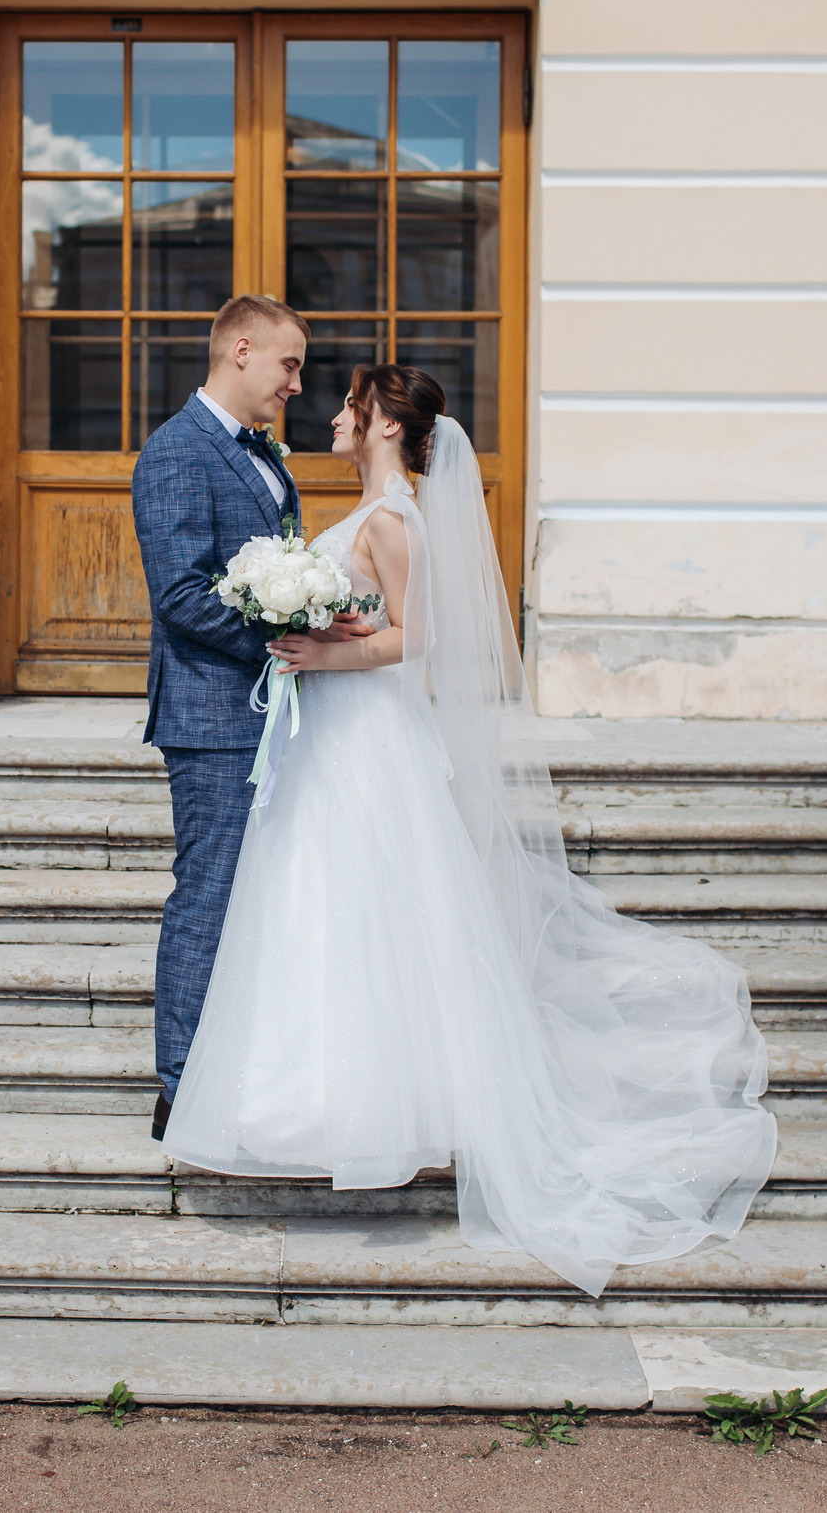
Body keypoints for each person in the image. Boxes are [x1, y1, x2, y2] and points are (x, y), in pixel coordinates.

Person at [160, 364, 778, 1297]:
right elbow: (380, 621)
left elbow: (419, 639)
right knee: (327, 909)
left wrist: (320, 652)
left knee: (372, 911)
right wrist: (327, 631)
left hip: (367, 738)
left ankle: (379, 1108)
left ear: (383, 425)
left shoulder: (393, 518)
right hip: (336, 737)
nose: (335, 413)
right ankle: (311, 1101)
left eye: (352, 405)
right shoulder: (374, 512)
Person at [130, 294, 360, 1141]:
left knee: (259, 900)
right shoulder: (176, 451)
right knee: (211, 895)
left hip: (267, 711)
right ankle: (181, 1086)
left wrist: (319, 622)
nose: (297, 384)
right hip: (212, 715)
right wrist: (283, 640)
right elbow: (181, 593)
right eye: (288, 364)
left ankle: (242, 1071)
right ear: (241, 350)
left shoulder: (262, 454)